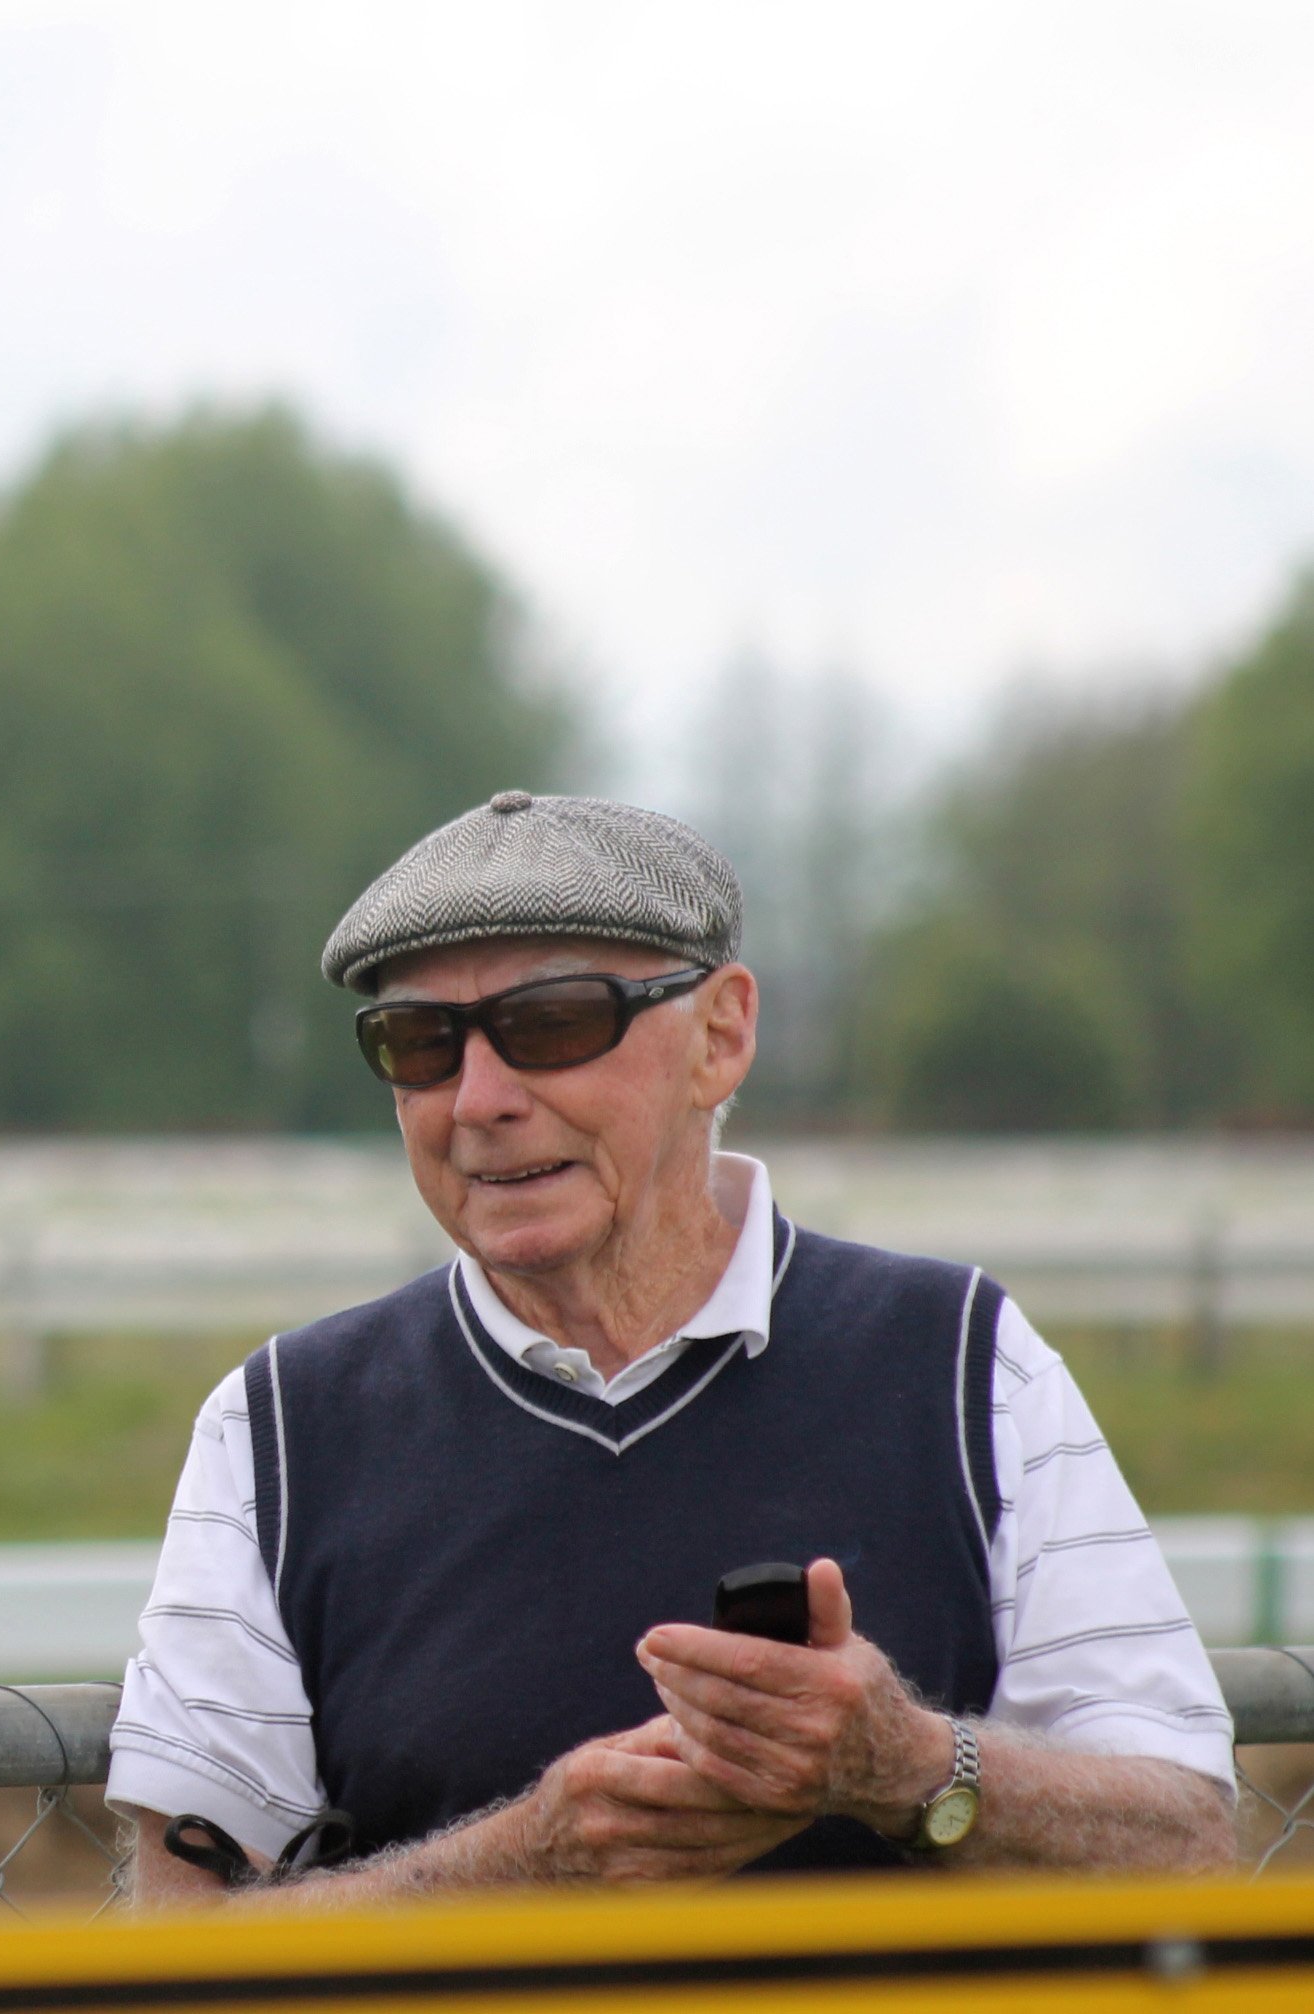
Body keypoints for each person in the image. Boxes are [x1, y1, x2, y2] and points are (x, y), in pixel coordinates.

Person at [111, 791, 1236, 1902]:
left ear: (722, 1036)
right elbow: (178, 1943)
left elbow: (1187, 1840)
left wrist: (910, 1768)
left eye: (552, 1023)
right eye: (420, 1043)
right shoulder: (279, 1426)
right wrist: (521, 1865)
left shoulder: (965, 1364)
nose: (479, 1098)